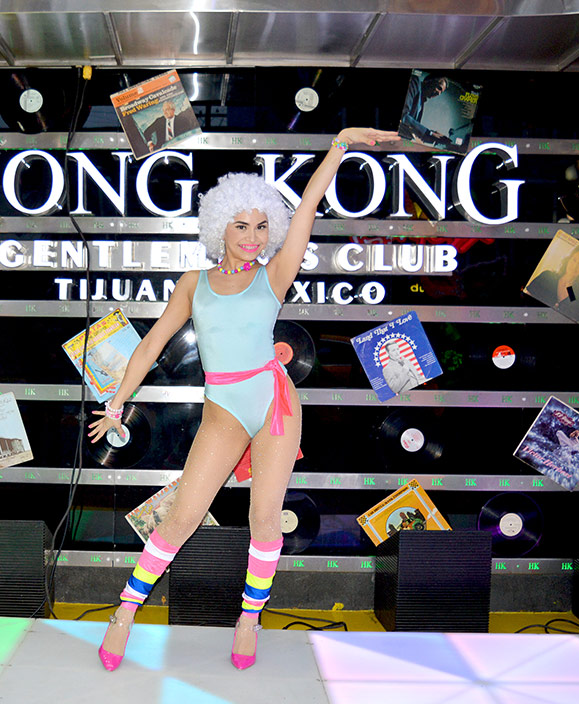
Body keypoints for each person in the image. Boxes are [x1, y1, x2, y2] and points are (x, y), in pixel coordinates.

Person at [89, 124, 400, 672]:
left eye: (261, 226)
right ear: (219, 227)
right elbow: (151, 344)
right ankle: (125, 612)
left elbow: (307, 209)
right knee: (182, 516)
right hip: (224, 409)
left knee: (265, 518)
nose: (253, 237)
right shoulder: (193, 283)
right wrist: (116, 403)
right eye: (241, 226)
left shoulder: (273, 276)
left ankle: (249, 618)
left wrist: (338, 146)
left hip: (276, 404)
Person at [524, 243, 579, 323]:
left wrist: (569, 287)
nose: (575, 266)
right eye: (574, 260)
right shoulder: (547, 276)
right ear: (568, 259)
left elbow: (574, 316)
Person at [398, 74, 448, 145]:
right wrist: (428, 133)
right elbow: (403, 115)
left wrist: (432, 136)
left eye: (441, 92)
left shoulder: (422, 101)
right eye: (439, 88)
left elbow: (411, 128)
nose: (439, 93)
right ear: (429, 81)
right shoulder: (415, 82)